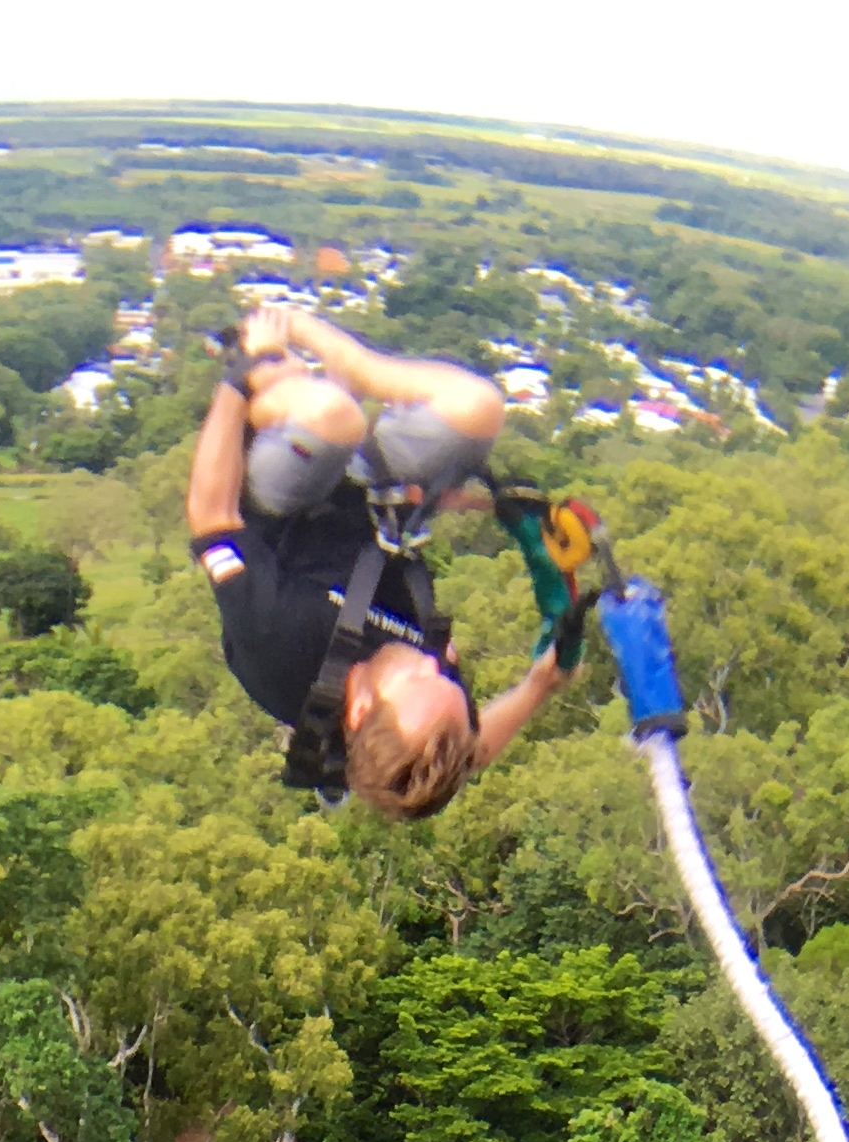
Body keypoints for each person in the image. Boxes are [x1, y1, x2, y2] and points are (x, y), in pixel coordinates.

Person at [185, 299, 595, 817]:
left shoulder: (279, 643)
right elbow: (470, 753)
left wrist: (240, 380)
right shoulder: (433, 712)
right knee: (478, 407)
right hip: (376, 500)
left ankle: (274, 362)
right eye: (448, 683)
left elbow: (210, 513)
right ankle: (353, 367)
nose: (437, 662)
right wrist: (541, 684)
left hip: (279, 505)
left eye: (420, 679)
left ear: (357, 708)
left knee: (331, 417)